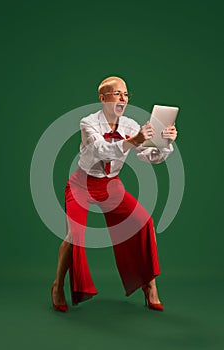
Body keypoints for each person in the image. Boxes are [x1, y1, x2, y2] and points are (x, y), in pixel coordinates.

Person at [51, 76, 177, 312]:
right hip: (82, 184)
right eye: (118, 93)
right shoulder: (87, 122)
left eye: (126, 94)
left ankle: (150, 288)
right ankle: (58, 285)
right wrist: (135, 139)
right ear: (103, 98)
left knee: (143, 223)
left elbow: (148, 156)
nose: (123, 98)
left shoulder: (130, 125)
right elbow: (102, 150)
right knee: (74, 235)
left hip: (111, 185)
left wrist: (165, 144)